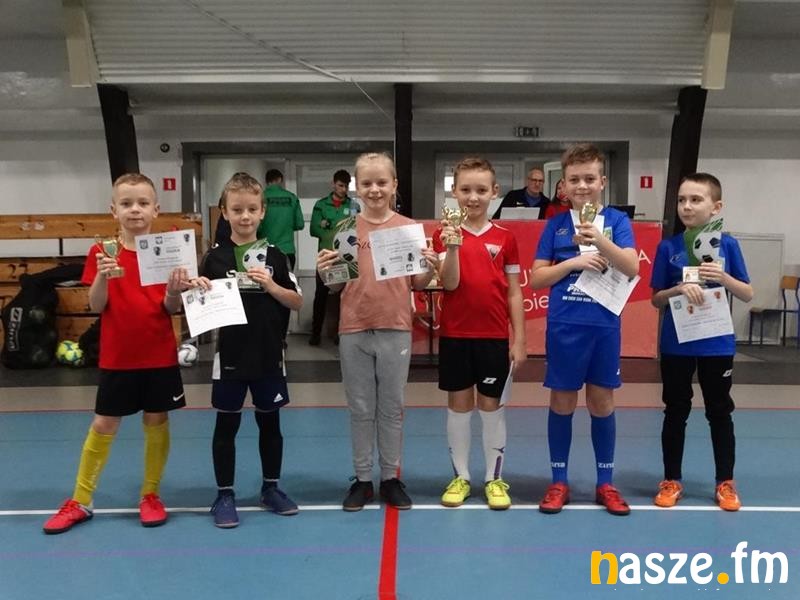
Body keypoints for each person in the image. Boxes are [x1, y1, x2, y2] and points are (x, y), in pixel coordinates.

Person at [43, 173, 189, 534]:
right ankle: (81, 499)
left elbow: (170, 308)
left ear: (156, 209)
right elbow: (96, 305)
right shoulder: (101, 252)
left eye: (142, 203)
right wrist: (103, 276)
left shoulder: (167, 251)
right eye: (126, 203)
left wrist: (174, 291)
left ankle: (150, 494)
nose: (135, 209)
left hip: (159, 353)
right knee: (103, 423)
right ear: (114, 210)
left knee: (156, 420)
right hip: (117, 357)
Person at [315, 152, 438, 511]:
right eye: (367, 183)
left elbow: (418, 283)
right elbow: (336, 286)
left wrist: (430, 266)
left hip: (395, 327)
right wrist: (325, 272)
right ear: (357, 188)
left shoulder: (407, 229)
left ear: (394, 185)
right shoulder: (345, 229)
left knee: (392, 406)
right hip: (354, 328)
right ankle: (362, 479)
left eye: (382, 182)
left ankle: (390, 477)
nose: (375, 189)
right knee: (360, 407)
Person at [530, 143, 639, 516]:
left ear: (602, 182)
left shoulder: (617, 222)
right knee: (562, 401)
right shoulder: (555, 225)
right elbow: (537, 278)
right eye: (574, 179)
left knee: (601, 402)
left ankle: (605, 483)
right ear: (563, 185)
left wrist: (599, 239)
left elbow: (632, 267)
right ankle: (558, 481)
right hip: (564, 326)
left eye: (589, 178)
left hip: (604, 326)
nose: (582, 186)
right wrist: (573, 262)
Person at [195, 172, 303, 528]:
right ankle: (224, 494)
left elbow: (296, 301)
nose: (245, 216)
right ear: (225, 212)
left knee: (269, 422)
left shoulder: (277, 256)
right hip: (230, 356)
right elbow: (197, 305)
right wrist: (196, 290)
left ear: (262, 211)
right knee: (226, 424)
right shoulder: (214, 258)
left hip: (269, 354)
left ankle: (271, 488)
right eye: (237, 209)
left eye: (252, 209)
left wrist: (271, 285)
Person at [650, 173, 753, 511]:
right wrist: (677, 289)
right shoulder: (668, 247)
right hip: (676, 344)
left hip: (716, 344)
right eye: (682, 200)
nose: (687, 206)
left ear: (716, 207)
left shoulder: (728, 245)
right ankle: (671, 479)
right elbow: (656, 299)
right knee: (675, 411)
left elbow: (747, 293)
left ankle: (725, 482)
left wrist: (723, 277)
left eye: (696, 199)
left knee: (719, 412)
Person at [432, 157, 526, 510]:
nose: (473, 197)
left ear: (494, 192)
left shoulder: (506, 238)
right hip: (455, 336)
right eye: (466, 189)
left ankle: (493, 479)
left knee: (491, 408)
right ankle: (461, 477)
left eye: (481, 190)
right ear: (454, 192)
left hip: (493, 338)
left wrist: (519, 339)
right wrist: (451, 246)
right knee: (459, 408)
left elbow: (514, 292)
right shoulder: (443, 234)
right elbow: (449, 283)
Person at [308, 169, 358, 346]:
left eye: (346, 186)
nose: (344, 189)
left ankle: (341, 333)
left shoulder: (353, 206)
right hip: (325, 259)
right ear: (333, 184)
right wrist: (333, 229)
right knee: (320, 296)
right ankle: (315, 334)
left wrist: (328, 224)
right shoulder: (321, 205)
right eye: (340, 185)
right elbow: (314, 229)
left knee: (344, 297)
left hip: (346, 258)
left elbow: (356, 229)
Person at [257, 169, 304, 269]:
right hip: (287, 250)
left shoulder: (259, 198)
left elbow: (256, 227)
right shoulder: (292, 197)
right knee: (286, 278)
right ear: (279, 179)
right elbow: (299, 224)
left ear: (266, 181)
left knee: (265, 278)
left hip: (264, 251)